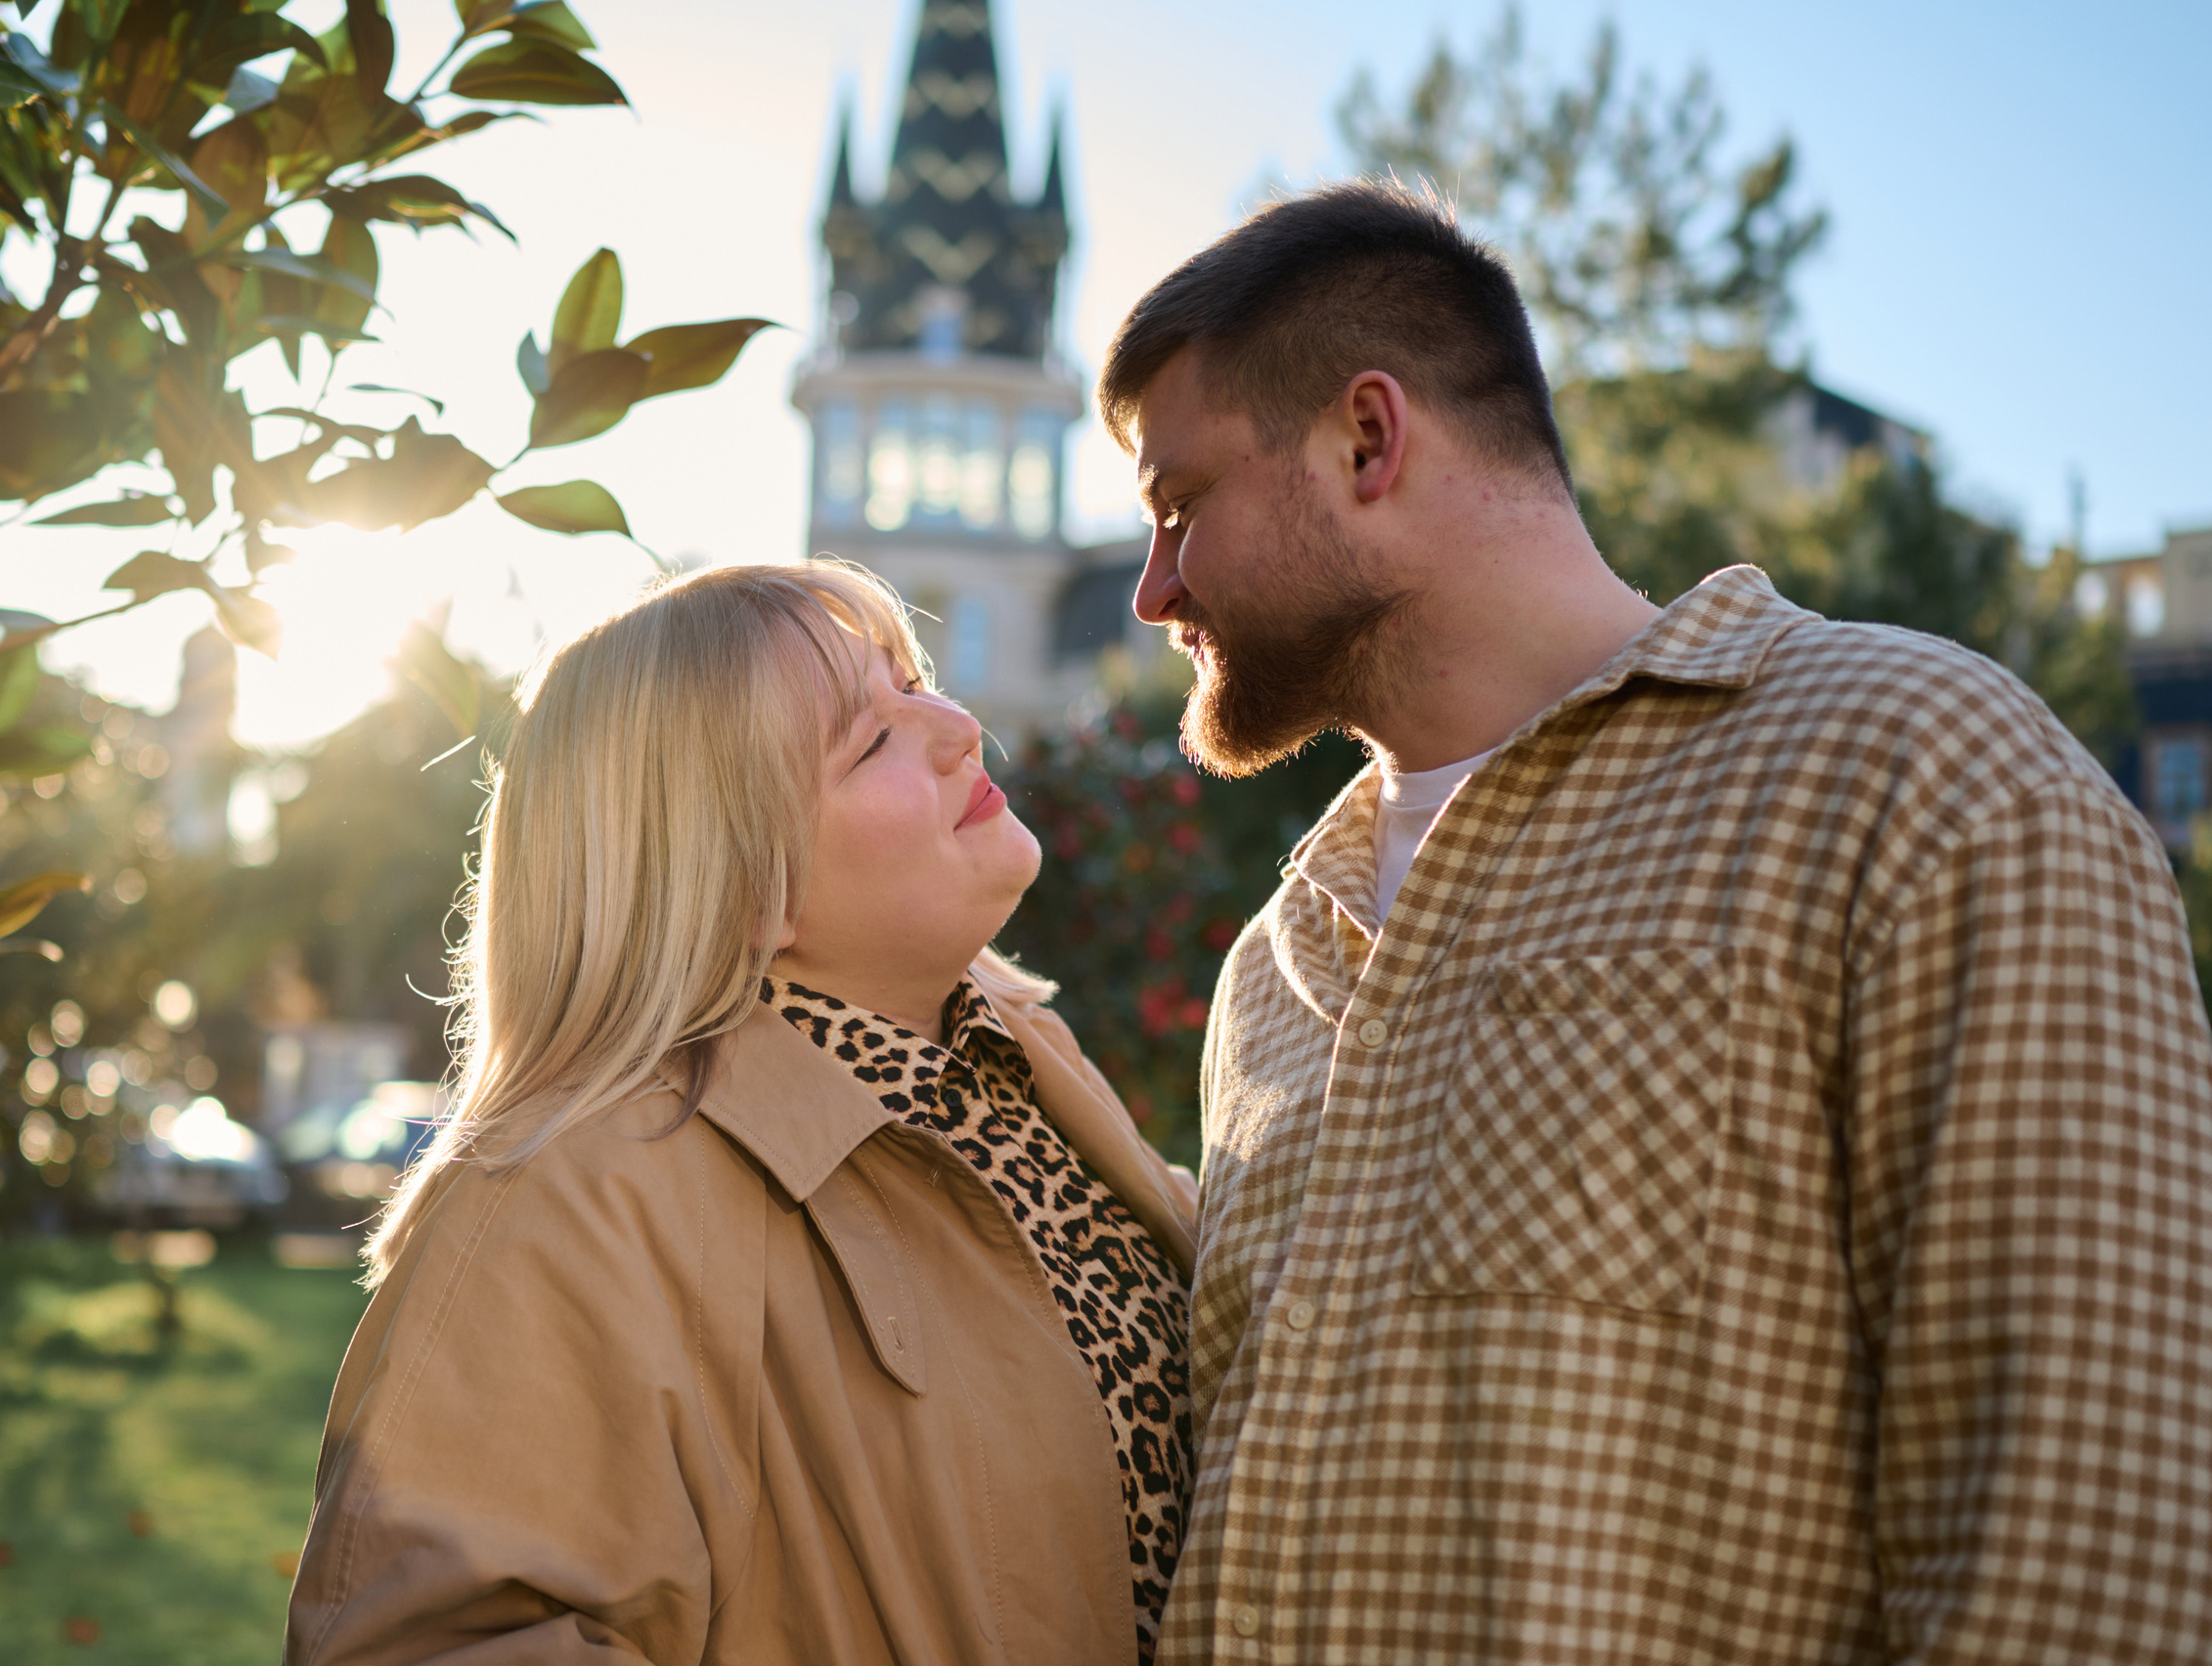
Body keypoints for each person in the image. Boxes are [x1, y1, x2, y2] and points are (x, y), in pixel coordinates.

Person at [1101, 180, 2212, 1663]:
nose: (1152, 589)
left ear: (1368, 438)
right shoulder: (1276, 967)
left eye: (1182, 508)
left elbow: (2087, 1535)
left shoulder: (1916, 778)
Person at [284, 561, 1198, 1666]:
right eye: (869, 741)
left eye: (915, 684)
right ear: (738, 882)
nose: (958, 727)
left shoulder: (1007, 1056)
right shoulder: (576, 1190)